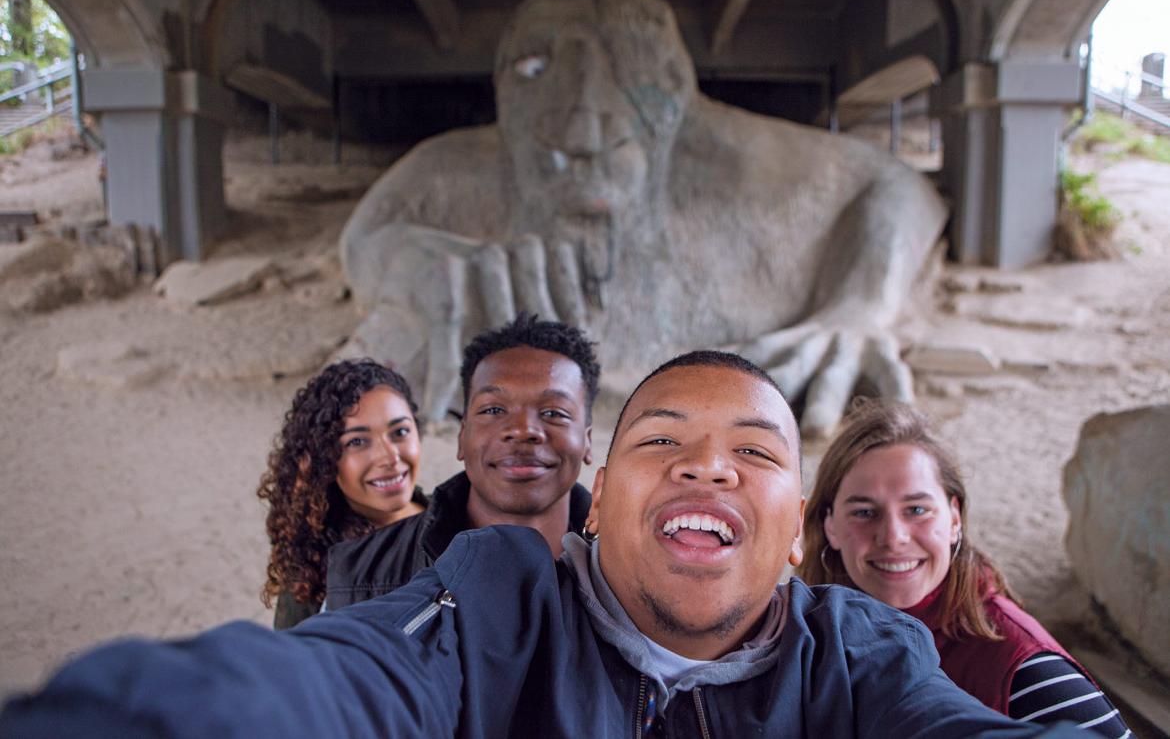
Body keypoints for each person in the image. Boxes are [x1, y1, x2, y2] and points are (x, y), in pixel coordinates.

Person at [1, 351, 1081, 738]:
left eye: (754, 454)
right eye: (666, 443)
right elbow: (351, 676)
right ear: (597, 503)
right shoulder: (501, 596)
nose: (709, 469)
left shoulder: (861, 651)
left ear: (798, 531)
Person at [799, 399, 1129, 735]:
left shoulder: (1024, 669)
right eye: (864, 512)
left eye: (916, 510)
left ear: (954, 518)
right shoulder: (809, 634)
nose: (893, 537)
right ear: (830, 526)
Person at [324, 312, 597, 610]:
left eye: (554, 413)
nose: (522, 430)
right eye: (493, 410)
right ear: (462, 436)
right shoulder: (359, 575)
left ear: (587, 441)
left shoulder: (629, 571)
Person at [258, 359, 425, 629]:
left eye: (400, 432)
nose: (390, 457)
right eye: (357, 442)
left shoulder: (462, 531)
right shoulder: (314, 560)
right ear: (324, 460)